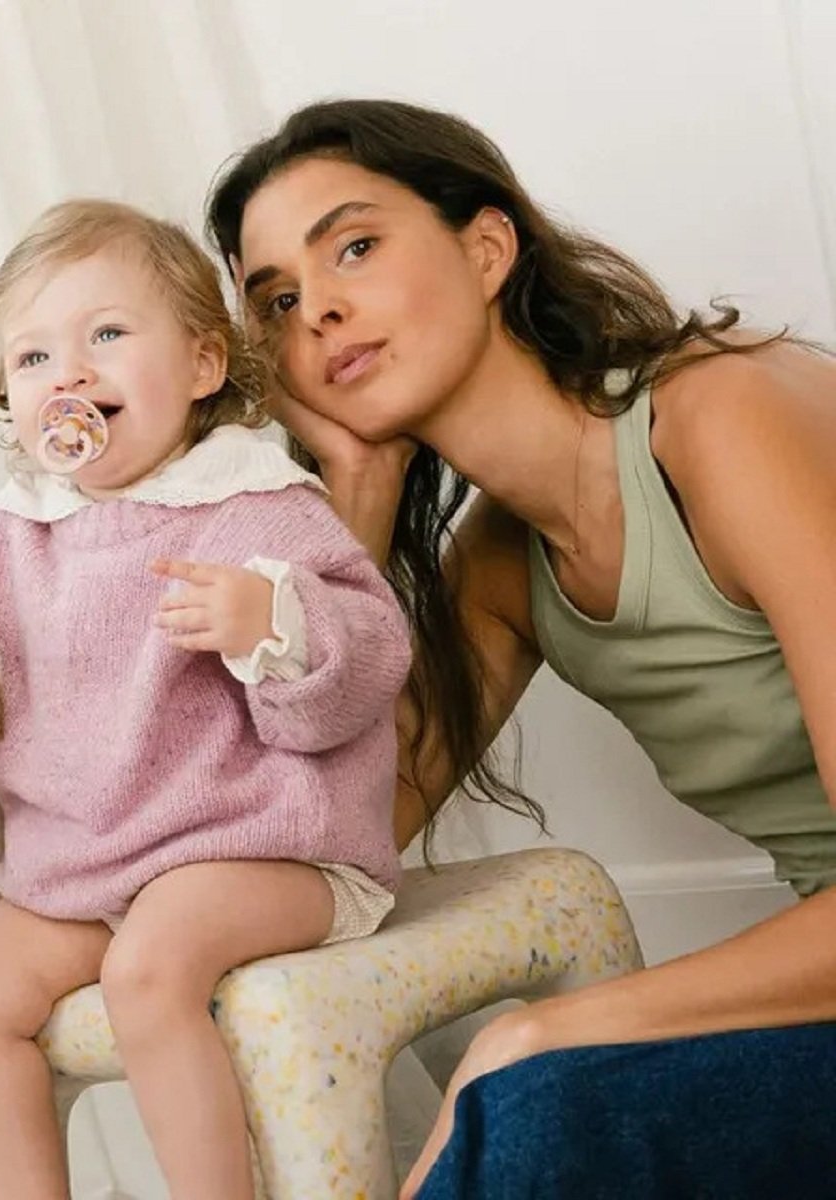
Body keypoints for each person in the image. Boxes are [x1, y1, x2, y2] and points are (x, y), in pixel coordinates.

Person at [206, 98, 836, 1199]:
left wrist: (544, 1033)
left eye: (354, 247)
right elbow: (333, 847)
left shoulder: (723, 419)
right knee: (542, 1116)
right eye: (280, 302)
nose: (321, 312)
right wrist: (360, 494)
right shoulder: (506, 565)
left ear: (488, 248)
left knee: (538, 1099)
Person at [0, 199, 411, 1200]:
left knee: (148, 968)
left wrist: (272, 620)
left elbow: (375, 652)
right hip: (91, 869)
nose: (70, 375)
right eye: (34, 357)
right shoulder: (12, 531)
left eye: (108, 336)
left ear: (203, 365)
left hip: (264, 852)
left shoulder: (252, 503)